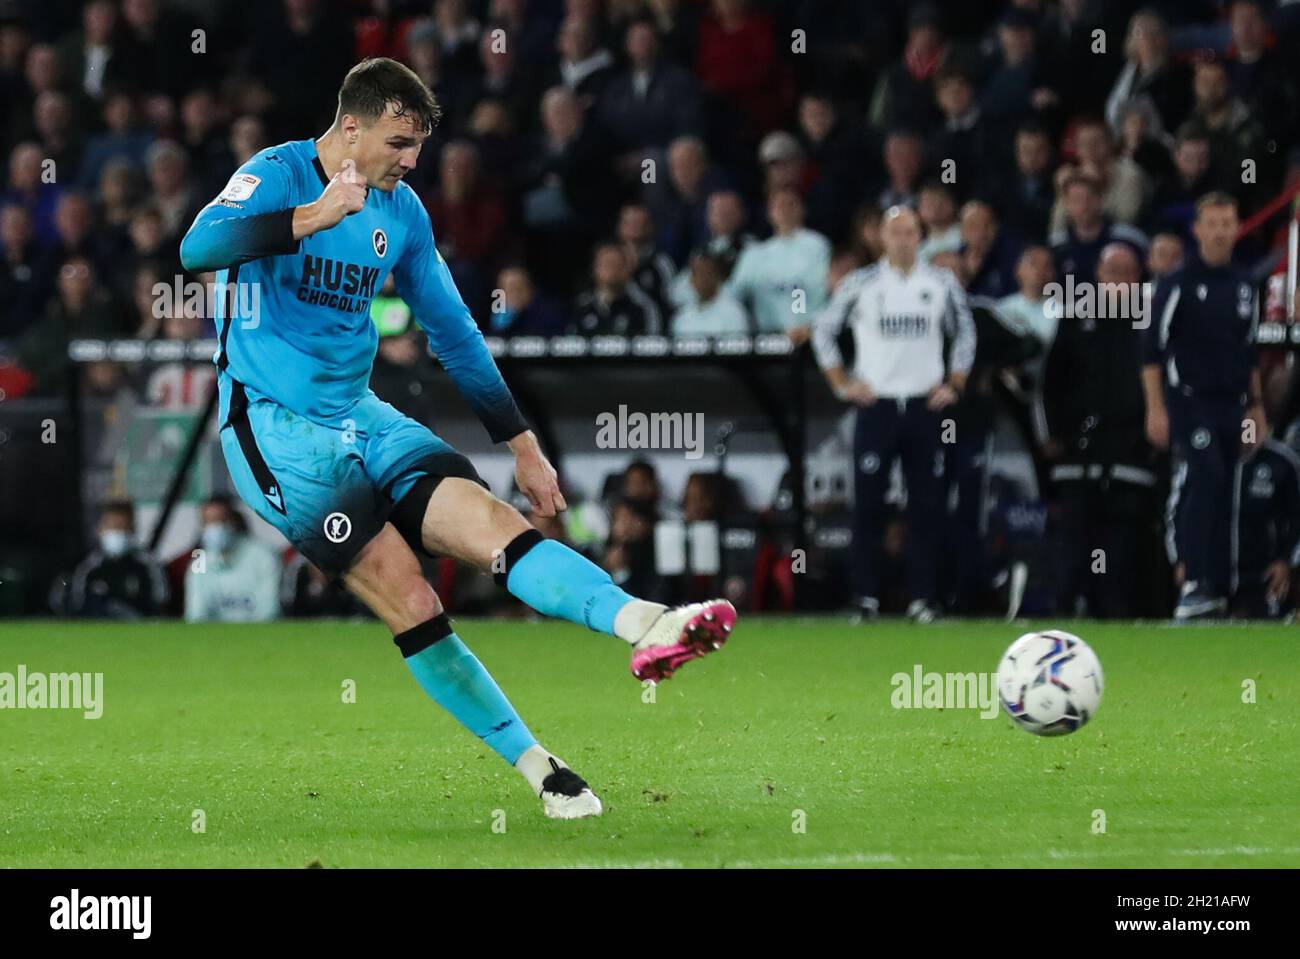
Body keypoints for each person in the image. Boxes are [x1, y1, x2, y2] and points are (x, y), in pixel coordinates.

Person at [179, 58, 734, 821]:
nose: (411, 162)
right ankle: (540, 767)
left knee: (492, 524)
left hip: (361, 412)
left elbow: (454, 331)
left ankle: (645, 620)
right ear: (351, 127)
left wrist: (522, 444)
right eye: (400, 142)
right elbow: (195, 250)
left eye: (419, 147)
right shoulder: (276, 174)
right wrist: (312, 217)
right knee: (409, 592)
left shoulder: (401, 214)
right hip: (274, 429)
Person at [811, 206, 975, 623]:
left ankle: (923, 598)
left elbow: (966, 333)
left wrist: (954, 384)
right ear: (881, 238)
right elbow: (824, 330)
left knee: (927, 505)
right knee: (868, 505)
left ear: (920, 237)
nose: (902, 239)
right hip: (877, 406)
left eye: (910, 232)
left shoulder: (941, 283)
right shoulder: (860, 283)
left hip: (924, 406)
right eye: (895, 232)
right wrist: (841, 383)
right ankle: (865, 597)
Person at [1143, 192, 1265, 619]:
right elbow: (1151, 352)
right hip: (1190, 401)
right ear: (1196, 230)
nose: (1219, 231)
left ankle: (1221, 585)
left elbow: (1248, 350)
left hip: (1233, 402)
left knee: (1229, 485)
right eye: (1211, 223)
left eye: (1227, 223)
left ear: (1237, 227)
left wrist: (1256, 407)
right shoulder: (1176, 283)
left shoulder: (1246, 284)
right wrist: (1155, 409)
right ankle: (1192, 577)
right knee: (1204, 476)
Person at [58, 500, 169, 618]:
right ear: (100, 529)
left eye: (123, 527)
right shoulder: (89, 567)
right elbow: (77, 604)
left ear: (133, 529)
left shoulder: (147, 564)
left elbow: (160, 602)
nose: (118, 533)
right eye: (113, 527)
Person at [184, 495, 282, 623]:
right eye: (208, 521)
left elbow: (268, 612)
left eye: (220, 520)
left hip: (261, 637)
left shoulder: (264, 557)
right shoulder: (199, 562)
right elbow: (196, 614)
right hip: (214, 638)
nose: (214, 527)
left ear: (233, 521)